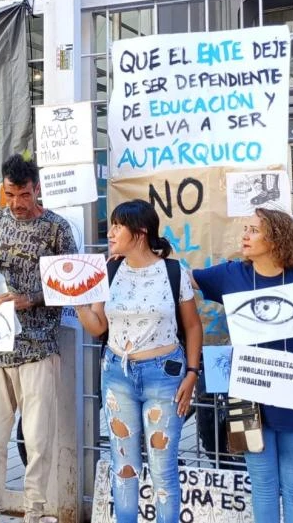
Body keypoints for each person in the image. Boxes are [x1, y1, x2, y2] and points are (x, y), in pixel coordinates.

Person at [192, 208, 293, 523]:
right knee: (262, 484)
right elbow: (180, 279)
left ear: (276, 236)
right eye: (245, 228)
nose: (244, 236)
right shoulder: (229, 274)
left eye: (253, 230)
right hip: (245, 396)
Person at [75, 199, 203, 523]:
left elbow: (192, 325)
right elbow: (98, 326)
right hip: (117, 373)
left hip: (165, 375)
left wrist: (192, 373)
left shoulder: (174, 271)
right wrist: (77, 303)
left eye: (119, 225)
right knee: (124, 465)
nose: (111, 232)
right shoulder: (111, 270)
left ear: (141, 232)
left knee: (163, 467)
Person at [0, 154, 77, 523]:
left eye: (24, 195)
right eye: (10, 194)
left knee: (38, 441)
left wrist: (30, 299)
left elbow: (72, 283)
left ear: (37, 189)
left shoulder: (57, 228)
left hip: (38, 347)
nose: (17, 203)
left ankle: (35, 512)